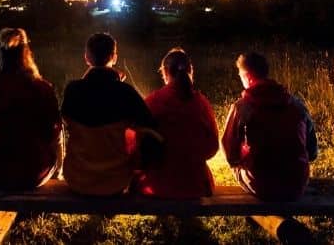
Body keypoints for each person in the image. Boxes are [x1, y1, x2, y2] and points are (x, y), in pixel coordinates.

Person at [61, 32, 157, 196]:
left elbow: (64, 120)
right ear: (114, 57)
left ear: (87, 57)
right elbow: (150, 126)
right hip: (116, 181)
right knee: (138, 131)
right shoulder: (125, 92)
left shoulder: (73, 90)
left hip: (77, 179)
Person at [0, 27, 62, 189]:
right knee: (58, 133)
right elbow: (52, 132)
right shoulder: (41, 89)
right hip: (32, 175)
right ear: (26, 53)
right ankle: (59, 173)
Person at [221, 51, 318, 200]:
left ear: (248, 77)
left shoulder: (242, 107)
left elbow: (230, 155)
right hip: (296, 184)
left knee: (240, 168)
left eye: (240, 76)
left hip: (262, 185)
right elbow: (312, 153)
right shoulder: (296, 105)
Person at [134, 48, 219, 198]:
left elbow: (138, 144)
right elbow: (212, 148)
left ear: (165, 72)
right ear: (190, 71)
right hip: (195, 185)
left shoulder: (153, 101)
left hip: (158, 186)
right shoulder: (201, 103)